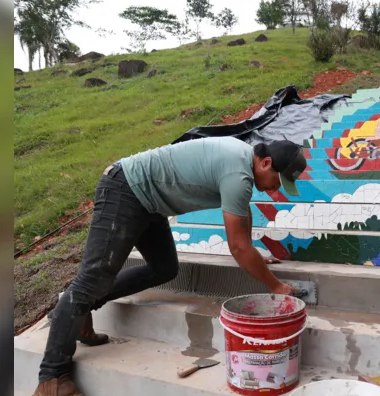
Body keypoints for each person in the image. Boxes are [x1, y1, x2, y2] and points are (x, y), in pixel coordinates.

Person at [33, 137, 307, 396]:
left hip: (148, 203)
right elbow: (237, 248)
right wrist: (275, 285)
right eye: (277, 181)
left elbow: (241, 223)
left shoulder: (242, 161)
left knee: (164, 268)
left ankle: (77, 310)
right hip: (125, 189)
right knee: (93, 278)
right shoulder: (239, 175)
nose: (275, 189)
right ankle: (53, 378)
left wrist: (254, 255)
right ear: (266, 163)